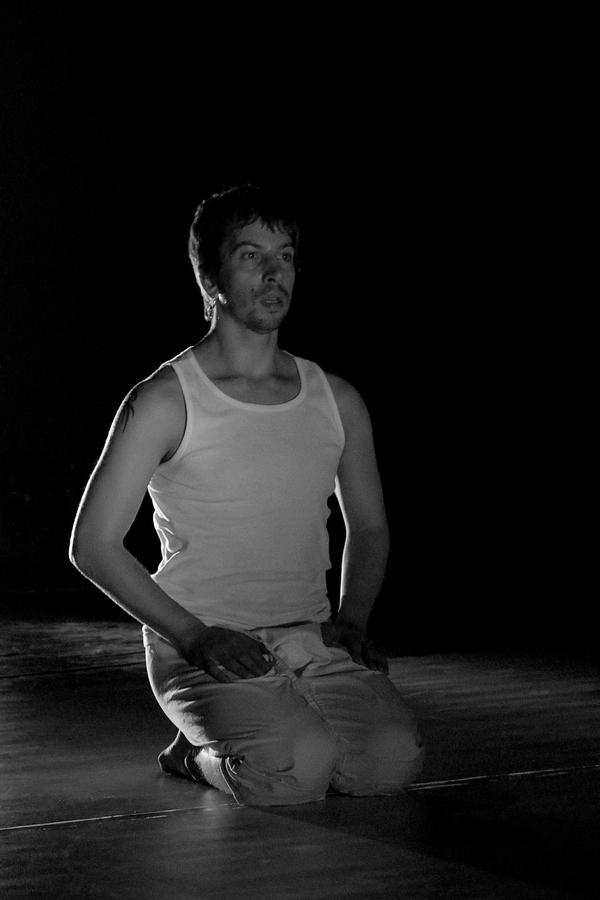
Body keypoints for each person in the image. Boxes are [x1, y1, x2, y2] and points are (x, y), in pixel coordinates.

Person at [70, 184, 423, 806]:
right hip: (203, 641)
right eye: (251, 256)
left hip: (309, 637)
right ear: (211, 278)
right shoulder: (165, 399)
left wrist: (353, 619)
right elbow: (92, 545)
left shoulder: (336, 398)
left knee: (390, 764)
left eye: (284, 256)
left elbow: (368, 527)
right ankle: (193, 754)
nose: (273, 274)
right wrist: (193, 636)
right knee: (293, 770)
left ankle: (266, 731)